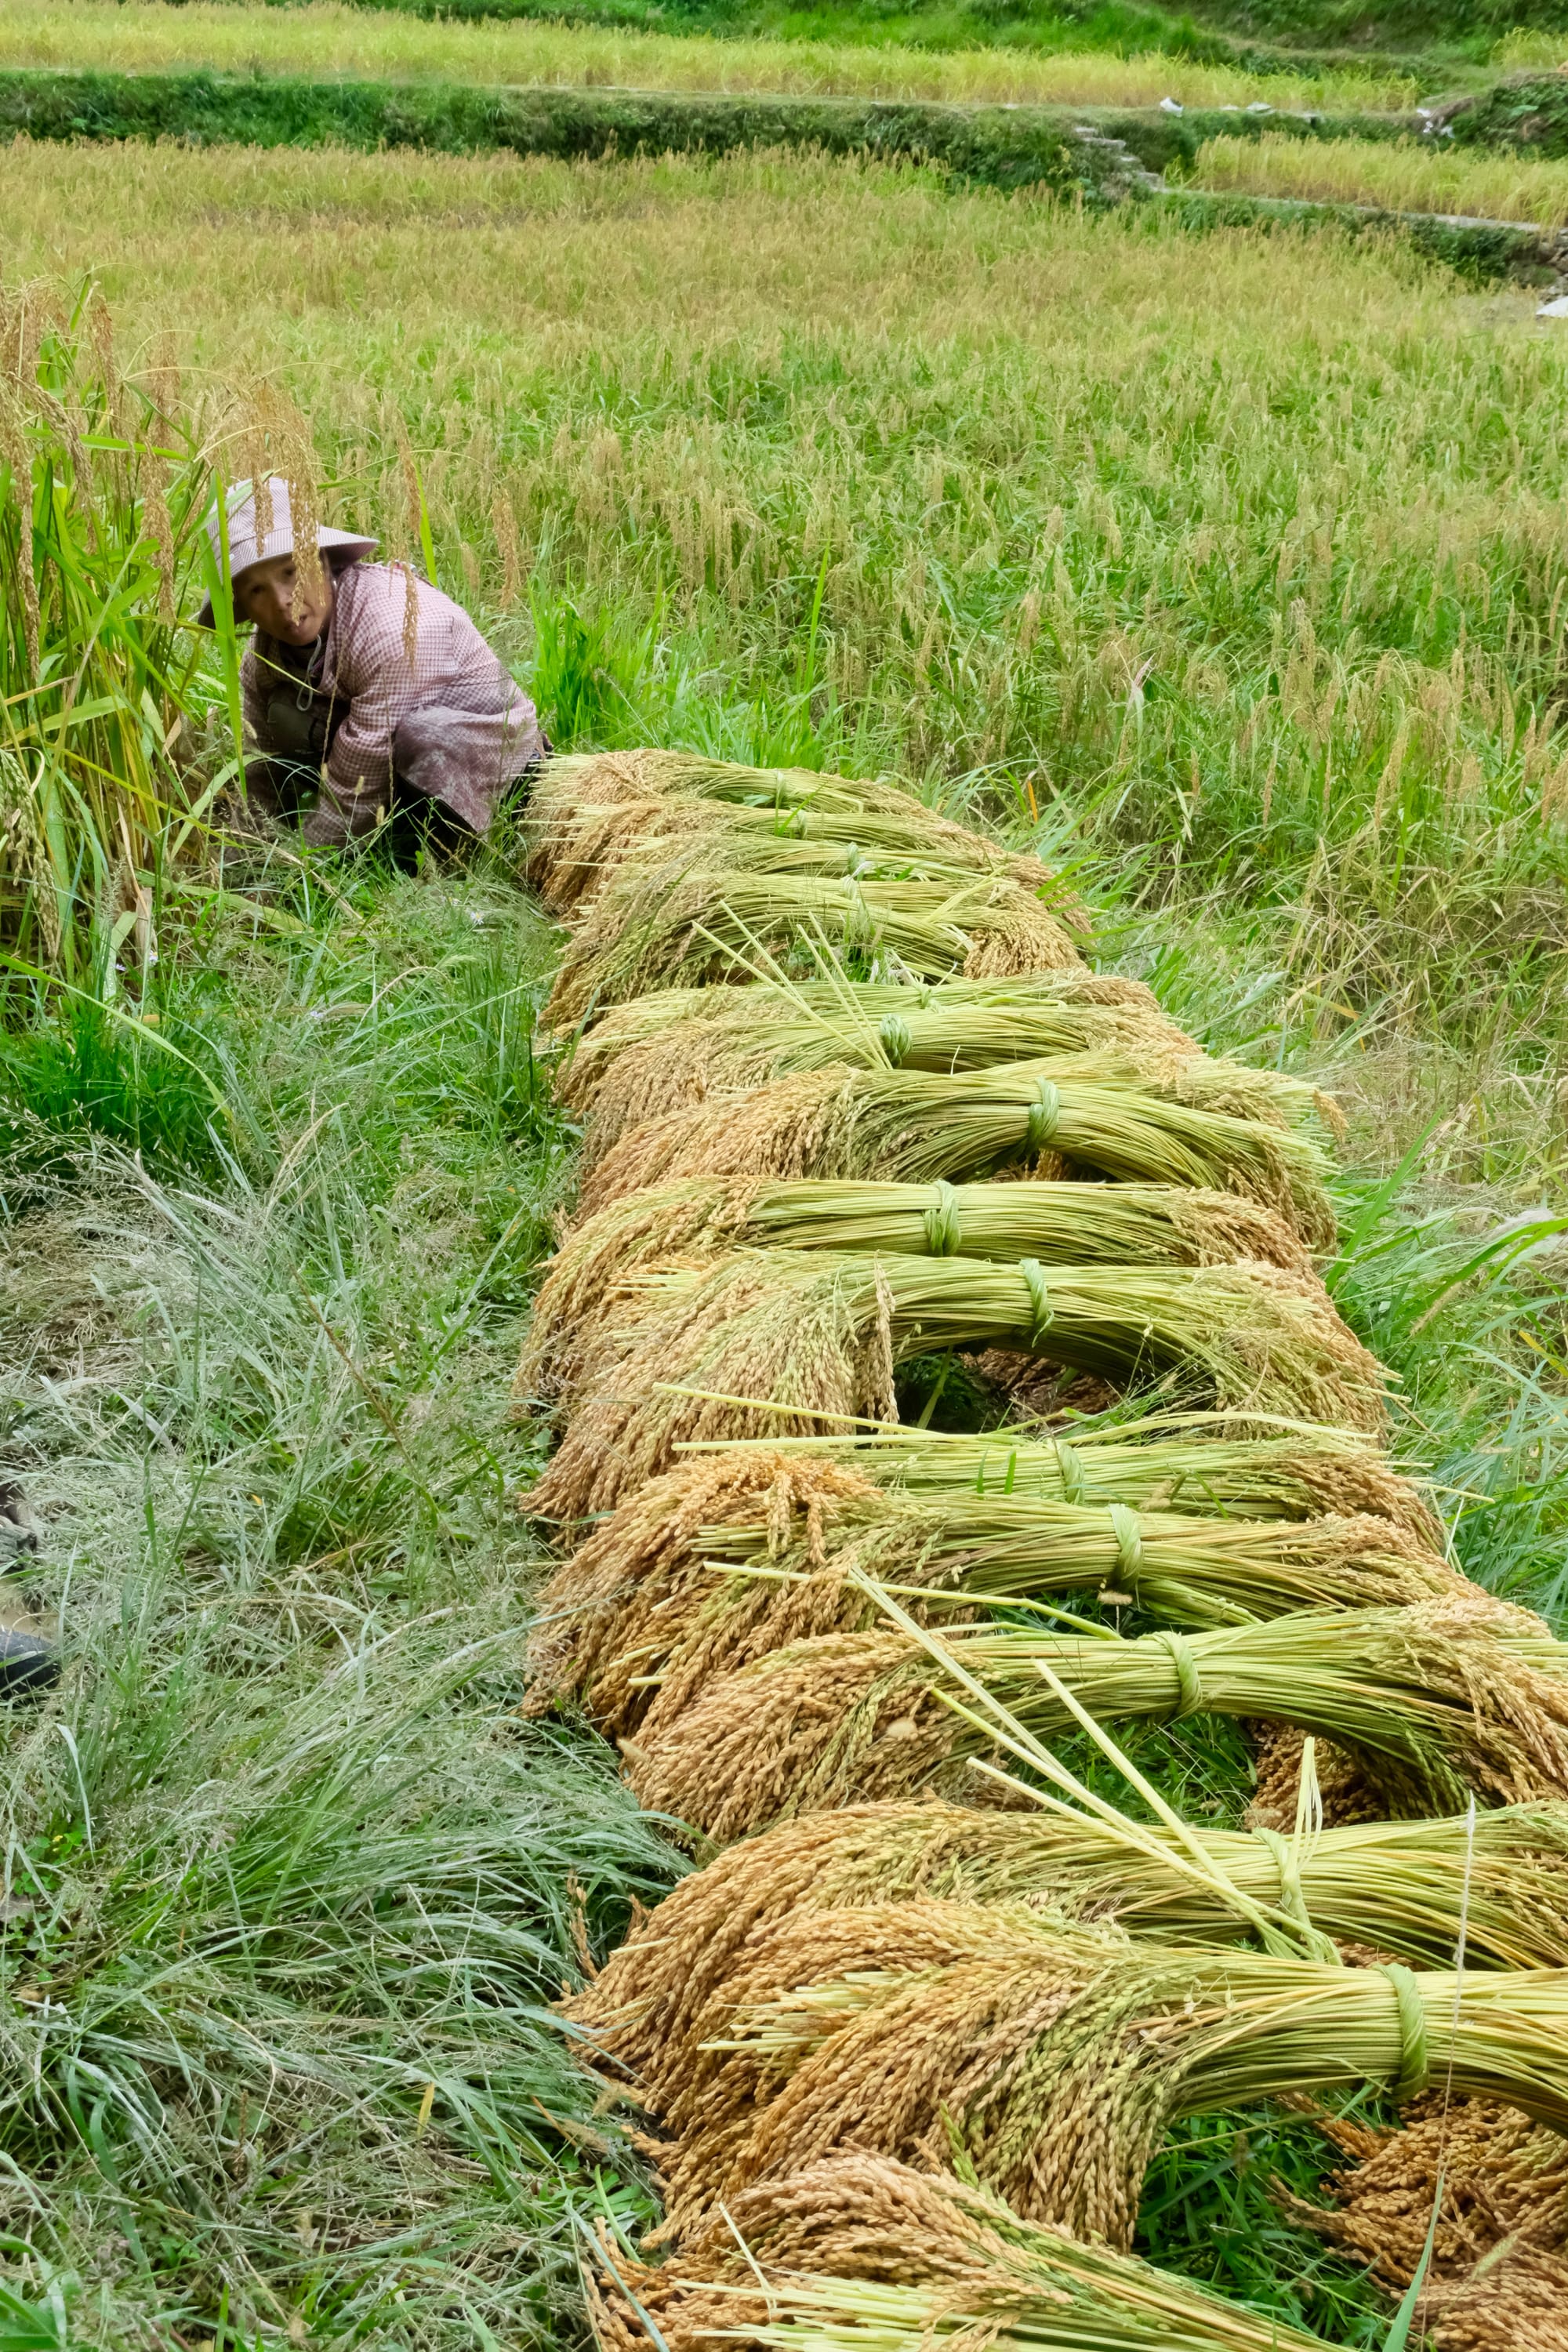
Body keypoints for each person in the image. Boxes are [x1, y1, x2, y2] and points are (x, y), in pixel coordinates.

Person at [197, 476, 546, 849]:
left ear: (323, 561)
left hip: (497, 763)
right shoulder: (264, 656)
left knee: (423, 736)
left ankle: (453, 859)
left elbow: (359, 773)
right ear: (242, 607)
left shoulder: (389, 627)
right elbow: (260, 761)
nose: (282, 600)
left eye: (291, 572)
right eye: (255, 590)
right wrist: (247, 848)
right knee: (282, 713)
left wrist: (302, 867)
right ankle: (391, 839)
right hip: (390, 771)